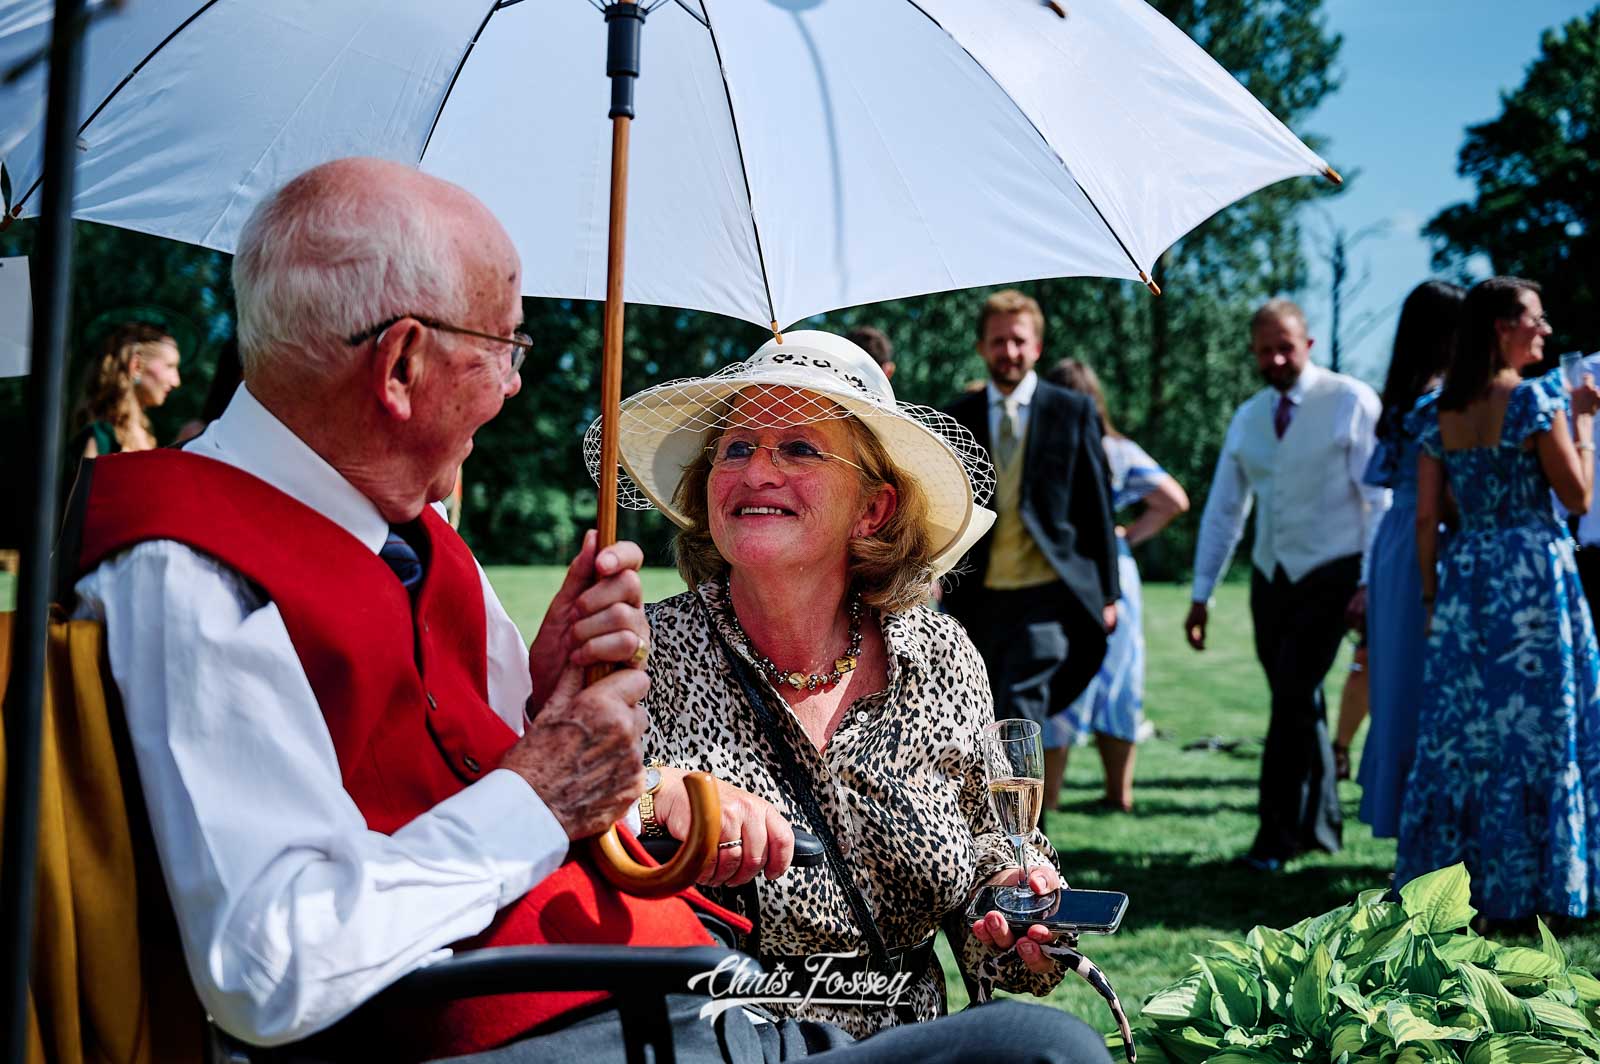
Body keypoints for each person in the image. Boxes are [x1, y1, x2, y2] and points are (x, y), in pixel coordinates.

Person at [71, 159, 1108, 1064]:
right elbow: (270, 960)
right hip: (593, 1021)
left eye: (799, 448)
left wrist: (547, 708)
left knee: (1032, 1041)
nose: (519, 386)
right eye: (506, 346)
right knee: (1041, 1054)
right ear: (400, 366)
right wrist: (548, 780)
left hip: (667, 1002)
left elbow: (512, 781)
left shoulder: (424, 553)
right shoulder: (193, 568)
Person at [597, 331, 1105, 1041]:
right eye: (735, 448)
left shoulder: (942, 659)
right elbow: (561, 819)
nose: (756, 471)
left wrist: (1016, 911)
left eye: (798, 449)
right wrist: (657, 794)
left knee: (1053, 1047)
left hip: (902, 1045)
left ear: (873, 510)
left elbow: (994, 854)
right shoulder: (641, 655)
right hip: (714, 1038)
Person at [1396, 277, 1600, 925]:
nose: (1544, 331)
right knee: (1537, 730)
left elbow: (1429, 518)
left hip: (1465, 580)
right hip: (1532, 577)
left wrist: (1432, 595)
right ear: (1500, 329)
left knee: (1467, 735)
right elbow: (1578, 498)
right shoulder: (1540, 401)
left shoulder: (1437, 411)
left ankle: (1457, 885)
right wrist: (1585, 419)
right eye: (1534, 320)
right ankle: (1538, 880)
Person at [1185, 298, 1388, 871]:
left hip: (1335, 573)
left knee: (1293, 698)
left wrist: (1370, 582)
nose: (1276, 357)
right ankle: (1321, 829)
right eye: (1264, 349)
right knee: (1299, 701)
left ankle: (1274, 839)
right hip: (1272, 580)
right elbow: (1226, 510)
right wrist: (1203, 592)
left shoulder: (1350, 400)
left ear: (1309, 345)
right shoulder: (1249, 416)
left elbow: (1377, 501)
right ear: (1252, 352)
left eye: (1286, 346)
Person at [941, 291, 1121, 784]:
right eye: (999, 342)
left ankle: (1028, 842)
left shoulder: (1072, 411)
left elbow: (1096, 508)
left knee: (1020, 710)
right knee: (976, 717)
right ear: (982, 347)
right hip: (977, 599)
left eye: (1019, 341)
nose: (1009, 352)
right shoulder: (956, 417)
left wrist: (1109, 592)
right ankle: (991, 842)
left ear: (1037, 347)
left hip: (1047, 596)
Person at [1042, 358, 1188, 814]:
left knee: (1060, 678)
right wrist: (1127, 536)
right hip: (1116, 574)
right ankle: (1117, 793)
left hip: (1064, 570)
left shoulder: (1044, 449)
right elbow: (1172, 500)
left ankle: (1050, 799)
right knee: (1120, 678)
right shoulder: (1118, 449)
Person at [1355, 280, 1465, 837]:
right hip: (1430, 536)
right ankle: (1427, 815)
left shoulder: (1401, 398)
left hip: (1395, 541)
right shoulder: (1438, 402)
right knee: (1423, 680)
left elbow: (1376, 476)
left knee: (1397, 680)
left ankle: (1405, 811)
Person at [69, 321, 183, 457]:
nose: (176, 382)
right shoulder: (100, 438)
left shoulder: (149, 437)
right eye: (170, 366)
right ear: (136, 366)